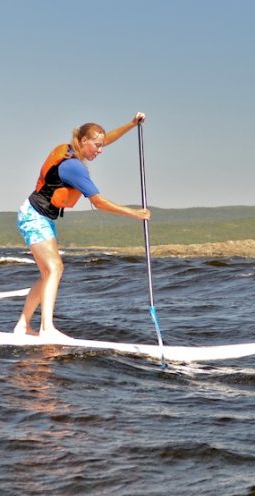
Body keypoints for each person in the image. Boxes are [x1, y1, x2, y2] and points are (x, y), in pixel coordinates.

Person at [14, 113, 151, 337]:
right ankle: (47, 328)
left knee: (48, 273)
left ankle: (23, 325)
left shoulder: (72, 148)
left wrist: (131, 124)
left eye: (101, 145)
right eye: (97, 145)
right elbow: (98, 202)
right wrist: (133, 213)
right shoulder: (73, 167)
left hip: (40, 216)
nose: (100, 150)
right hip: (34, 217)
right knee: (55, 269)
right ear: (84, 141)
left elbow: (106, 139)